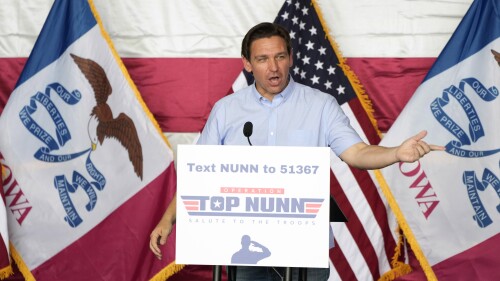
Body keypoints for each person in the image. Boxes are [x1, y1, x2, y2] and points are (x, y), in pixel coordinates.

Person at [150, 22, 444, 280]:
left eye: (279, 57)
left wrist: (395, 153)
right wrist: (167, 219)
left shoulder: (320, 105)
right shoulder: (226, 110)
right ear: (247, 64)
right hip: (245, 242)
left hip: (304, 244)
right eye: (262, 59)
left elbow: (357, 152)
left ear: (290, 58)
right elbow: (201, 175)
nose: (273, 67)